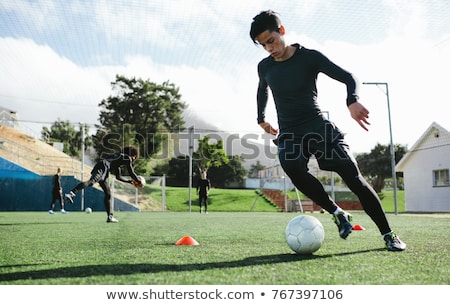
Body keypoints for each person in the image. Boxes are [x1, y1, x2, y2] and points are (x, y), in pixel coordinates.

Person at [249, 10, 406, 251]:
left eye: (271, 40)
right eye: (263, 45)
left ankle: (389, 234)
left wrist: (352, 101)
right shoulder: (265, 67)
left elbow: (348, 76)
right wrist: (261, 119)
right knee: (291, 166)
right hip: (290, 133)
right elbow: (262, 91)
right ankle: (337, 212)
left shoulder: (309, 57)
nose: (269, 48)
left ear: (281, 31)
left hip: (318, 128)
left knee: (355, 180)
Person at [64, 146, 142, 223]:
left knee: (108, 194)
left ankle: (110, 217)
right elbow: (131, 172)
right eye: (135, 157)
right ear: (132, 154)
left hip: (103, 169)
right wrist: (138, 180)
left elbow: (118, 177)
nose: (134, 159)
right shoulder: (127, 158)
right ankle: (72, 193)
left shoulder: (118, 159)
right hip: (103, 167)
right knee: (91, 182)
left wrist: (129, 181)